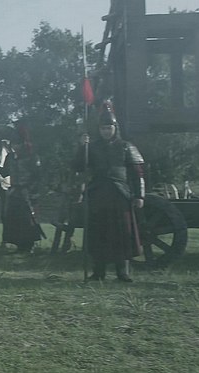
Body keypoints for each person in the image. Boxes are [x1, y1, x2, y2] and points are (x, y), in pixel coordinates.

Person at [73, 100, 144, 282]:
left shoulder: (126, 146)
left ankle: (123, 272)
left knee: (122, 233)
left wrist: (139, 195)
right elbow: (78, 166)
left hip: (120, 194)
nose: (106, 131)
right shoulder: (91, 147)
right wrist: (82, 147)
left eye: (109, 128)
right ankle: (99, 272)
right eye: (103, 128)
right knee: (99, 233)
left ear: (115, 128)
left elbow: (137, 173)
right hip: (98, 194)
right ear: (99, 129)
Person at [0, 123, 44, 254]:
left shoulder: (32, 156)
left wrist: (32, 192)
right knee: (13, 219)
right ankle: (19, 245)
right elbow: (4, 172)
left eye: (17, 143)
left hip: (28, 192)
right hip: (14, 192)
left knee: (28, 220)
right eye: (13, 144)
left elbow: (38, 176)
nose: (15, 146)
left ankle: (29, 246)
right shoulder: (10, 157)